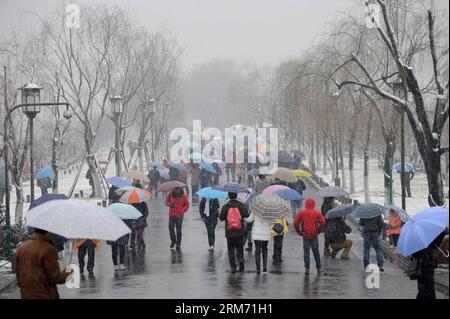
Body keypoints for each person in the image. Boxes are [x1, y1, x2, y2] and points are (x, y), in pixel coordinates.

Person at [15, 228, 73, 299]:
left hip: (26, 295)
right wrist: (67, 272)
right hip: (44, 295)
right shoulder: (48, 249)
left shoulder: (22, 248)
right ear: (48, 232)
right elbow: (55, 277)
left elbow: (19, 278)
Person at [294, 198, 326, 274]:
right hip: (314, 235)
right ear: (314, 204)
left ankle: (307, 268)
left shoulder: (302, 213)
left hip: (305, 235)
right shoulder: (317, 213)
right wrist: (319, 230)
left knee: (306, 252)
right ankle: (319, 267)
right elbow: (323, 222)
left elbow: (296, 222)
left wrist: (299, 232)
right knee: (316, 252)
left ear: (306, 204)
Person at [219, 192, 249, 273]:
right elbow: (246, 215)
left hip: (229, 232)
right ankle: (241, 262)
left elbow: (221, 218)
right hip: (240, 231)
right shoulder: (241, 205)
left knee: (231, 249)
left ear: (229, 196)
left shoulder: (226, 206)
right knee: (240, 248)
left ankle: (233, 266)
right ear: (236, 196)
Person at [411, 231, 446, 299]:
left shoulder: (414, 236)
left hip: (420, 265)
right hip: (426, 264)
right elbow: (442, 233)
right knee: (428, 289)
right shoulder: (429, 235)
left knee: (422, 288)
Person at [165, 187, 190, 251]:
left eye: (178, 189)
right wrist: (170, 204)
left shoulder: (183, 196)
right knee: (171, 228)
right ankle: (173, 241)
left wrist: (183, 210)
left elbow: (187, 204)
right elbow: (166, 202)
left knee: (178, 229)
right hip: (172, 214)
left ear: (180, 189)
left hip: (179, 215)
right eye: (175, 189)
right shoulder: (170, 195)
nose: (176, 190)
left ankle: (178, 243)